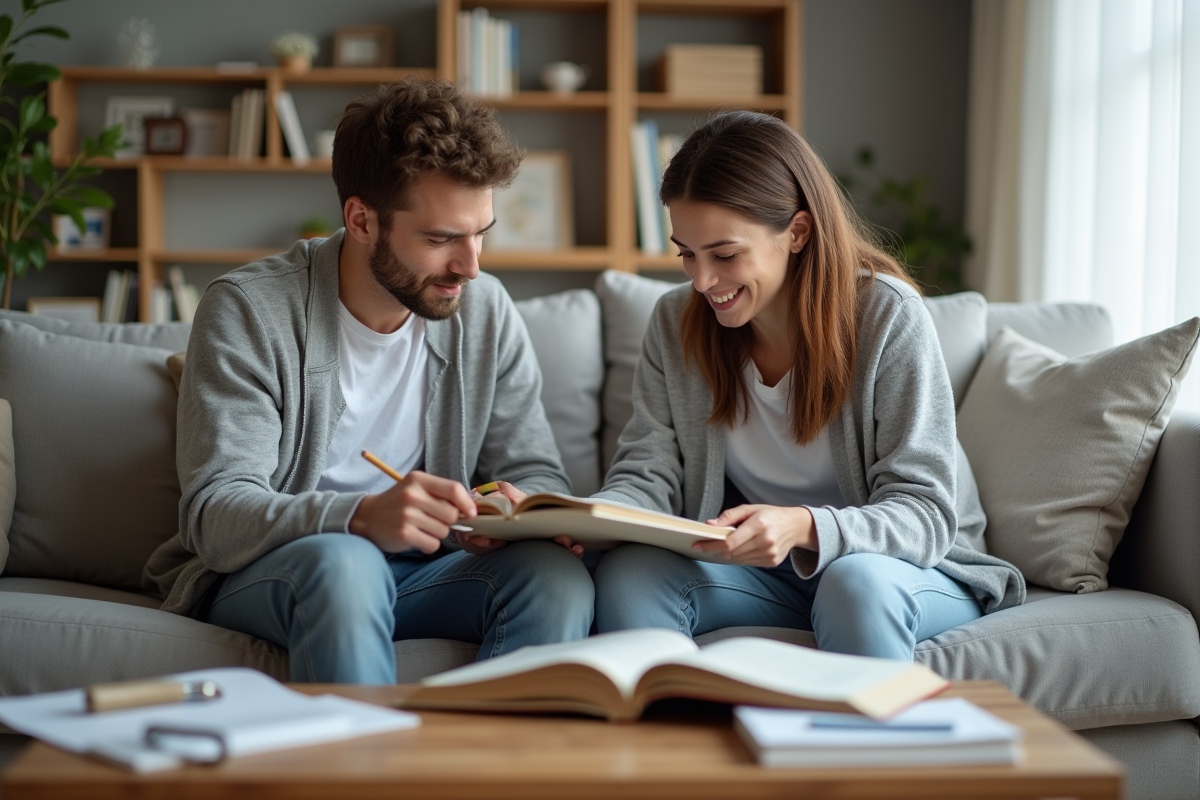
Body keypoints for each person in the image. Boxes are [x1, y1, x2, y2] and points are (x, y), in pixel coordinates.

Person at [144, 77, 595, 683]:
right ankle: (367, 777)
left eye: (480, 232)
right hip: (279, 570)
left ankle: (495, 774)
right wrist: (359, 515)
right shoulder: (249, 309)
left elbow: (537, 470)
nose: (471, 265)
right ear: (361, 220)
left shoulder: (486, 313)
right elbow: (216, 514)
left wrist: (514, 509)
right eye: (440, 239)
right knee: (347, 563)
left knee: (554, 574)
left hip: (424, 570)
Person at [591, 111, 1024, 660]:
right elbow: (647, 473)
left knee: (855, 584)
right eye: (686, 254)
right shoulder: (676, 323)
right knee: (633, 573)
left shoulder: (887, 316)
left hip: (912, 566)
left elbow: (926, 513)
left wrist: (803, 526)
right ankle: (670, 741)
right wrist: (588, 518)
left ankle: (857, 746)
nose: (702, 281)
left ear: (796, 232)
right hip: (774, 574)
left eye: (725, 255)